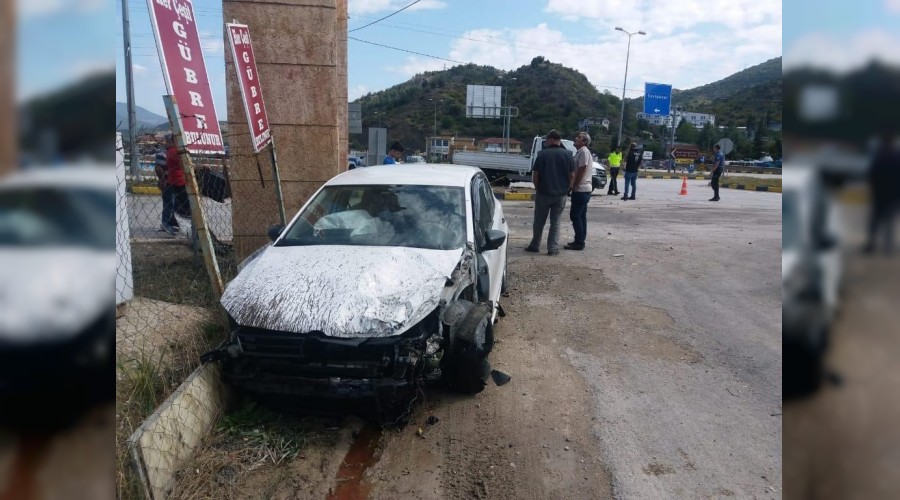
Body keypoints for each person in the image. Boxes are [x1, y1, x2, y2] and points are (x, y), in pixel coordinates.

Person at [525, 130, 574, 256]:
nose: (546, 142)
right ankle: (552, 248)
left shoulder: (542, 154)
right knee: (555, 222)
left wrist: (537, 187)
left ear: (552, 139)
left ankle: (535, 245)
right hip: (561, 194)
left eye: (547, 140)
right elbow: (571, 175)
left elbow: (536, 175)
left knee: (539, 221)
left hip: (544, 192)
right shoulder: (568, 155)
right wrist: (568, 189)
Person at [864, 134, 900, 254]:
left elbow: (872, 175)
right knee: (882, 223)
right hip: (886, 195)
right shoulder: (891, 157)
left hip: (885, 196)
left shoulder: (881, 157)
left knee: (880, 223)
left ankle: (878, 246)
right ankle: (882, 247)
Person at [565, 132, 593, 250]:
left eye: (579, 137)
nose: (576, 138)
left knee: (575, 216)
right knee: (581, 216)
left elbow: (582, 169)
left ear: (584, 142)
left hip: (581, 189)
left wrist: (574, 185)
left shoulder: (584, 152)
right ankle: (580, 239)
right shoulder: (580, 152)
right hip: (583, 189)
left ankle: (580, 242)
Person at [161, 135, 188, 236]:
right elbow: (186, 164)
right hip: (177, 182)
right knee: (173, 204)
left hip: (174, 181)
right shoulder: (174, 151)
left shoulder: (171, 151)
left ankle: (170, 223)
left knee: (170, 204)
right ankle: (167, 223)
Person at [155, 141, 179, 233]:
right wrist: (162, 180)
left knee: (173, 203)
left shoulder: (177, 153)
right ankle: (166, 223)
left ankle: (172, 222)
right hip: (168, 182)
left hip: (177, 181)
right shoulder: (163, 153)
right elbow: (158, 168)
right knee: (169, 203)